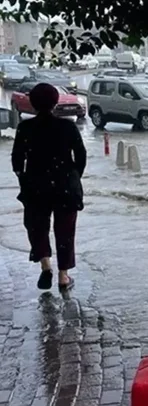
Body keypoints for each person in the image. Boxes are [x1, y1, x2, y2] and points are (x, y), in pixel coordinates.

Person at [11, 83, 86, 291]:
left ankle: (45, 266)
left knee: (37, 227)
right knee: (65, 231)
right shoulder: (67, 127)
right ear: (55, 102)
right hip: (65, 187)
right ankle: (63, 276)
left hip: (36, 186)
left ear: (33, 104)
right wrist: (73, 176)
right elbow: (81, 156)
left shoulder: (25, 128)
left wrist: (23, 178)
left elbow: (17, 158)